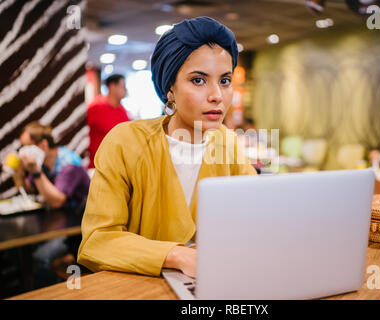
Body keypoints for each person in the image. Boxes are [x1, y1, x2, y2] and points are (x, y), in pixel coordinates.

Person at [77, 17, 257, 278]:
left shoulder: (227, 141)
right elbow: (96, 241)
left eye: (225, 80)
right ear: (170, 88)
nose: (217, 95)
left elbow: (255, 219)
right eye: (198, 80)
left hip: (217, 282)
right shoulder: (125, 142)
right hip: (140, 289)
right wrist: (178, 255)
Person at [16, 121, 91, 288]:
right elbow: (27, 187)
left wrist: (35, 171)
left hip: (80, 231)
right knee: (20, 254)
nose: (23, 153)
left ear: (42, 145)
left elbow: (57, 200)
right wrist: (18, 170)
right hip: (60, 224)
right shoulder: (44, 163)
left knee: (41, 258)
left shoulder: (68, 164)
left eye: (27, 147)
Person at [87, 74, 129, 169]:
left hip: (117, 164)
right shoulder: (96, 107)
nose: (125, 90)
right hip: (97, 165)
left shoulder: (123, 111)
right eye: (122, 86)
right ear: (112, 86)